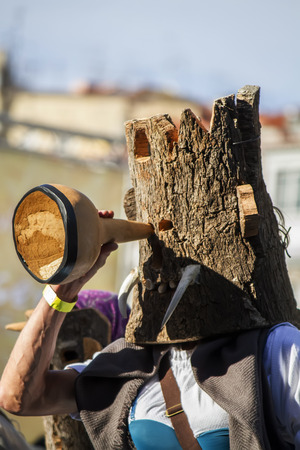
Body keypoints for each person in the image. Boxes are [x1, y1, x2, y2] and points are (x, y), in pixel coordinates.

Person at [0, 211, 300, 449]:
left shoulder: (275, 351)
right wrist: (64, 287)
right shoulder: (124, 368)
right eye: (152, 254)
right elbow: (18, 397)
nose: (160, 266)